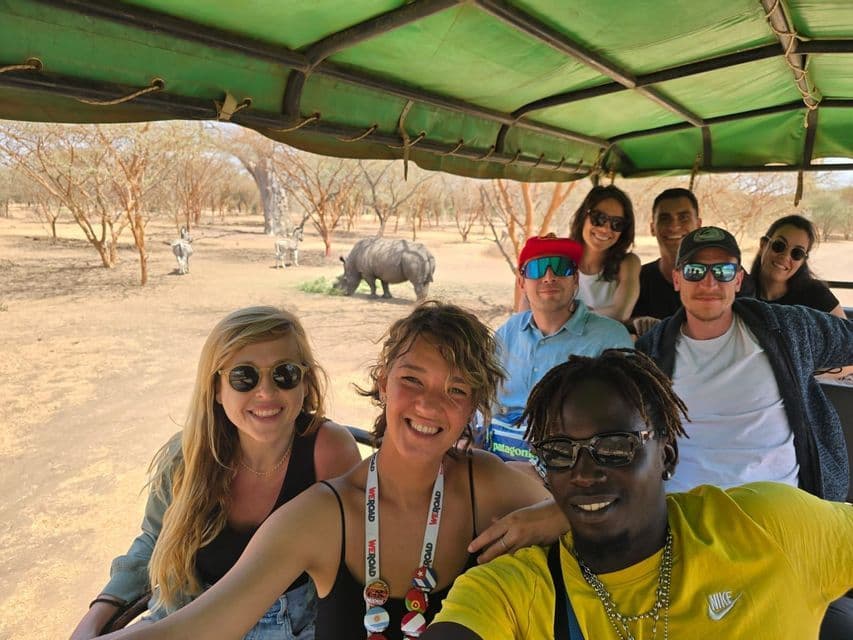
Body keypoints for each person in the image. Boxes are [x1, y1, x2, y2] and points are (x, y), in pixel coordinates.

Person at [98, 301, 568, 640]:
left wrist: (561, 514)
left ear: (473, 409)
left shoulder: (485, 482)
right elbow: (202, 624)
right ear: (383, 383)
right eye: (412, 379)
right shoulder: (325, 514)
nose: (429, 404)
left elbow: (623, 514)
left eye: (457, 389)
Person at [424, 350, 853, 640]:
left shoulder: (765, 525)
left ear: (666, 455)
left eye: (614, 447)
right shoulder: (515, 589)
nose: (584, 474)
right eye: (559, 453)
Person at [70, 306, 362, 640]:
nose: (265, 392)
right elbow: (153, 538)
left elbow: (350, 575)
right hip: (184, 615)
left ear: (304, 382)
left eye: (284, 374)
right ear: (218, 389)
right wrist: (99, 613)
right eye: (244, 377)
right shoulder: (189, 456)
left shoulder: (328, 451)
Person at [636, 226, 852, 500]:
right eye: (695, 271)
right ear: (677, 279)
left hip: (780, 512)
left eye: (723, 271)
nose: (709, 283)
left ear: (738, 280)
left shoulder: (789, 329)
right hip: (687, 516)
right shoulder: (651, 352)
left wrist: (811, 367)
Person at [487, 234, 632, 463]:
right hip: (502, 464)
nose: (549, 276)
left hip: (572, 469)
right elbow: (485, 401)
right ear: (522, 282)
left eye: (560, 267)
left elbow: (625, 418)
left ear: (575, 279)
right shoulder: (508, 332)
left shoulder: (610, 338)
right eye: (537, 268)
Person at [568, 185, 641, 323]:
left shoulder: (628, 263)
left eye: (617, 223)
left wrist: (568, 314)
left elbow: (620, 313)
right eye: (599, 218)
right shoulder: (560, 258)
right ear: (584, 216)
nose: (606, 228)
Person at [751, 214, 846, 318]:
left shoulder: (817, 295)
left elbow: (845, 333)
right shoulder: (738, 291)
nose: (785, 256)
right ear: (763, 246)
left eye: (797, 253)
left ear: (802, 261)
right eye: (779, 245)